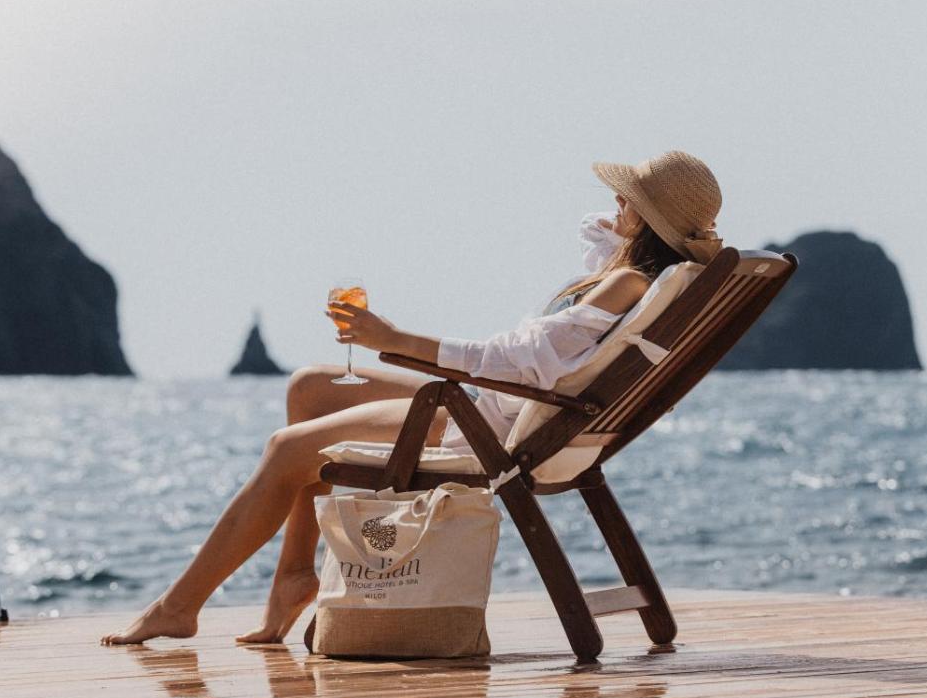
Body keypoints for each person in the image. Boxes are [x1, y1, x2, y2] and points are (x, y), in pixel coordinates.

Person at [101, 150, 724, 646]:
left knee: (288, 448)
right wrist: (637, 228)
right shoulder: (640, 279)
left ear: (648, 220)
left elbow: (510, 359)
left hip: (485, 422)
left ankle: (178, 607)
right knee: (310, 387)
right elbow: (589, 252)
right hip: (502, 406)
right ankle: (293, 576)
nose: (615, 203)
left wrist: (392, 339)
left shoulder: (624, 283)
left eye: (627, 199)